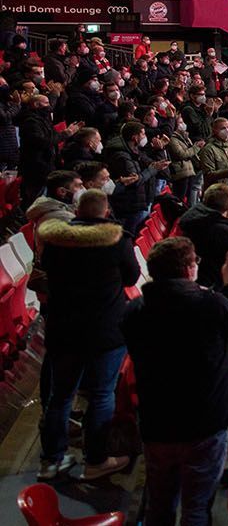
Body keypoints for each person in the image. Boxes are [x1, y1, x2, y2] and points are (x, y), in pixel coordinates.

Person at [122, 236, 228, 526]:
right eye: (194, 261)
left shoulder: (135, 310)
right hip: (204, 422)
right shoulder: (209, 303)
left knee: (159, 504)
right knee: (196, 506)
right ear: (188, 270)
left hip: (158, 421)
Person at [33, 188, 140, 480]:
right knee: (102, 395)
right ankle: (95, 460)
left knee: (60, 396)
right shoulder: (117, 240)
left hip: (63, 328)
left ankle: (50, 460)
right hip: (104, 330)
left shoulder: (56, 241)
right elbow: (131, 277)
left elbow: (47, 272)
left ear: (77, 212)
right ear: (106, 212)